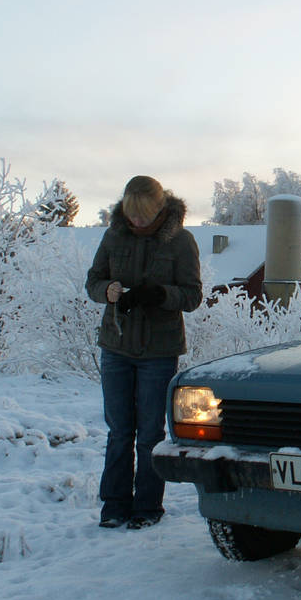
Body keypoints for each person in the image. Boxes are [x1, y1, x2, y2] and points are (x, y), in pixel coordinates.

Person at [85, 176, 202, 529]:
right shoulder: (113, 236)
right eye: (131, 214)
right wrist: (107, 290)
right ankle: (114, 505)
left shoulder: (181, 241)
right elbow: (93, 281)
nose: (136, 221)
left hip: (159, 350)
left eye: (143, 215)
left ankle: (148, 507)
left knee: (150, 433)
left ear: (159, 208)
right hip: (116, 346)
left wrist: (160, 294)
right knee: (119, 430)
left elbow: (192, 296)